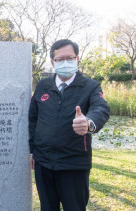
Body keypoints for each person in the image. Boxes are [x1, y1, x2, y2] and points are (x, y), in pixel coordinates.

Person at [29, 39, 110, 211]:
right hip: (43, 163)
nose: (65, 62)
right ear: (52, 62)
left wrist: (88, 123)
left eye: (70, 58)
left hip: (74, 163)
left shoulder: (90, 86)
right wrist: (32, 150)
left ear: (77, 59)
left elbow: (101, 108)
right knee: (47, 207)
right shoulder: (43, 86)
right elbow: (33, 119)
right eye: (60, 59)